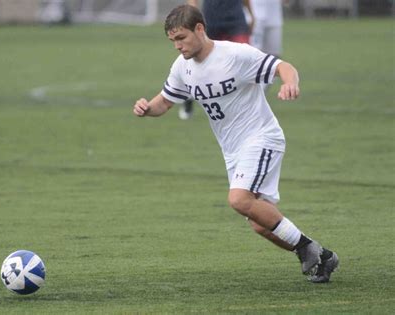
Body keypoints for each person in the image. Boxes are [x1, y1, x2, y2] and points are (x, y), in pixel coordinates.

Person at [133, 5, 338, 283]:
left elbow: (283, 67)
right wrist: (147, 109)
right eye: (173, 41)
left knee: (239, 199)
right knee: (259, 223)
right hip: (233, 151)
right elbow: (165, 102)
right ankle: (323, 256)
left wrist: (289, 84)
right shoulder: (182, 67)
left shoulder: (235, 55)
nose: (177, 46)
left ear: (200, 29)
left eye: (181, 38)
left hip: (261, 137)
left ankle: (305, 248)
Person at [179, 0, 254, 120]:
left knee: (245, 60)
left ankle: (245, 107)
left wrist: (251, 14)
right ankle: (188, 96)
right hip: (211, 19)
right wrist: (191, 15)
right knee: (200, 65)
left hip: (236, 20)